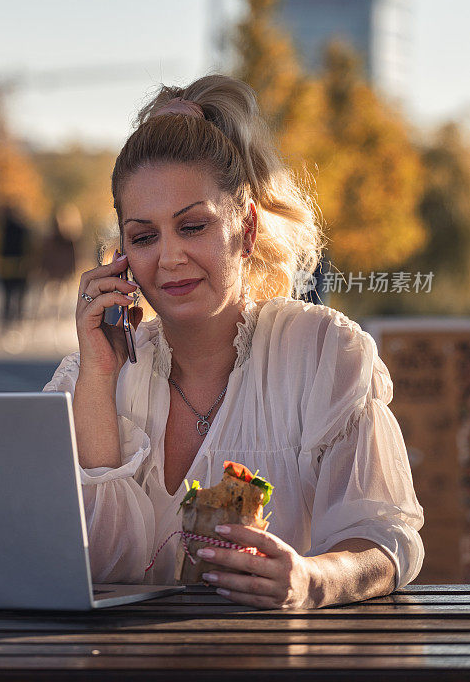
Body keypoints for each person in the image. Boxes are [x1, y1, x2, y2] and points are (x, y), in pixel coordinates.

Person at [44, 75, 424, 610]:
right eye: (145, 236)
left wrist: (311, 580)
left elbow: (386, 542)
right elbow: (84, 564)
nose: (169, 257)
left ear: (244, 229)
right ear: (121, 252)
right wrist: (99, 377)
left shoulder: (321, 355)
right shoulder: (85, 380)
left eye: (193, 226)